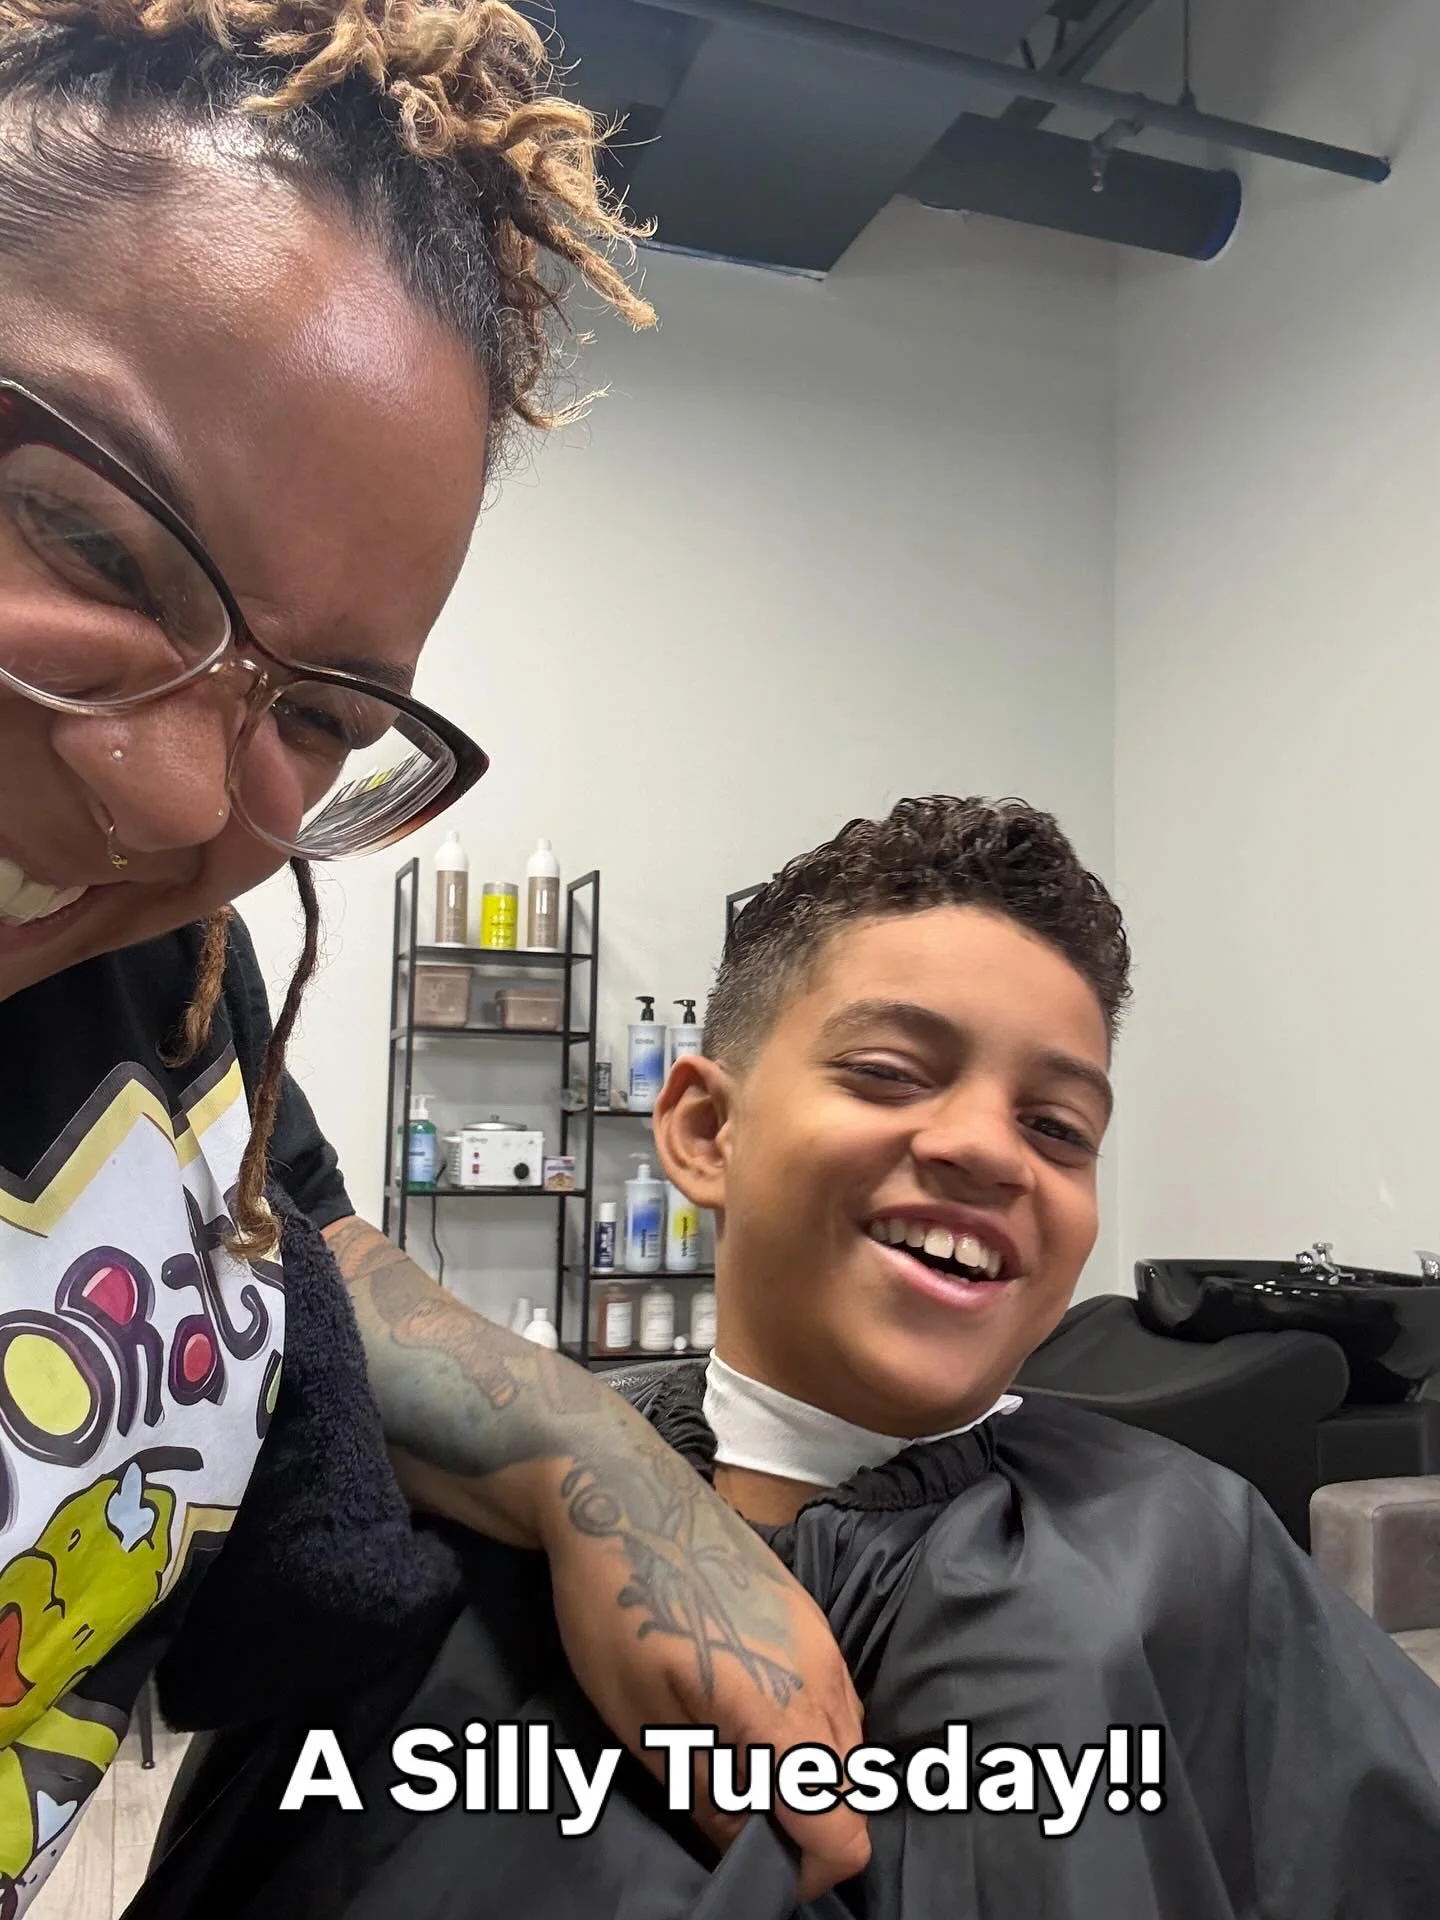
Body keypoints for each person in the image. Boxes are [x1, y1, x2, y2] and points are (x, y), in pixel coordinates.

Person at [0, 3, 867, 1911]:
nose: (170, 792)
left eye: (315, 715)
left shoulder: (159, 990)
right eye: (89, 539)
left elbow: (307, 1249)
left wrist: (597, 1468)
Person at [138, 797, 1440, 1920]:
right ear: (704, 1129)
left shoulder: (1186, 1546)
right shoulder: (448, 1519)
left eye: (1058, 1126)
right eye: (886, 1072)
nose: (990, 1149)